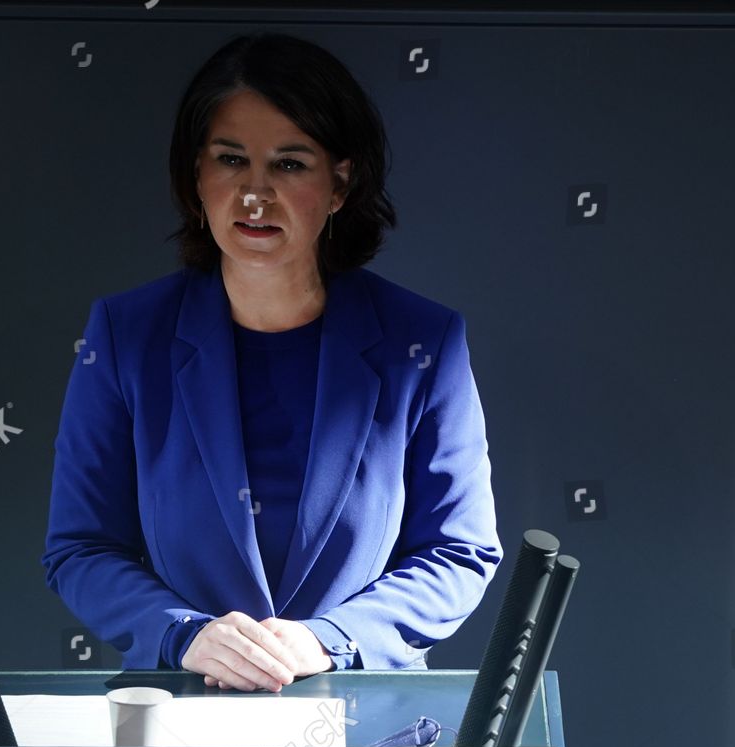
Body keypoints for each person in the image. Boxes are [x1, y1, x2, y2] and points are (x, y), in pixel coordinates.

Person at [41, 32, 502, 692]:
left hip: (365, 727)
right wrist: (184, 633)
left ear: (341, 182)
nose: (255, 195)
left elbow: (460, 552)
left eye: (289, 165)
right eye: (231, 160)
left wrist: (329, 640)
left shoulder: (423, 340)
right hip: (180, 718)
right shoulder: (125, 333)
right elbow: (80, 547)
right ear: (195, 175)